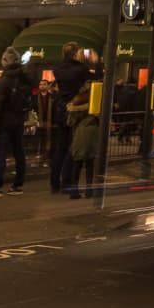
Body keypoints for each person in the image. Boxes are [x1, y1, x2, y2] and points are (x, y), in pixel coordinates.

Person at [0, 48, 33, 197]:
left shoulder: (2, 81)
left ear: (4, 62)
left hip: (4, 122)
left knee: (0, 154)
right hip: (19, 120)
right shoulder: (24, 79)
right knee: (19, 152)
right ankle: (17, 185)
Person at [48, 42, 91, 194]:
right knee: (72, 147)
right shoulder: (82, 69)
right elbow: (94, 79)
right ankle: (67, 181)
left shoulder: (57, 69)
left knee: (60, 147)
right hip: (75, 110)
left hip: (60, 110)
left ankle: (54, 182)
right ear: (75, 54)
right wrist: (93, 61)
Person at [66, 88, 100, 199]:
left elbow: (69, 122)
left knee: (77, 163)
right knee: (90, 164)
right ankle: (89, 190)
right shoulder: (95, 106)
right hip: (93, 136)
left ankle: (74, 191)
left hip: (79, 135)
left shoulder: (74, 106)